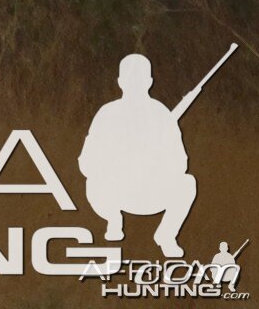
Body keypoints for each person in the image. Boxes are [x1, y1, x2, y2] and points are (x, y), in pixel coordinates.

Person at [80, 53, 198, 257]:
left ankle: (166, 235)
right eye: (130, 78)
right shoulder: (107, 113)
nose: (135, 83)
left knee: (187, 183)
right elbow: (86, 162)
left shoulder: (162, 115)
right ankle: (113, 220)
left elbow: (181, 163)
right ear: (120, 82)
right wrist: (114, 165)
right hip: (114, 193)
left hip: (151, 193)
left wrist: (155, 163)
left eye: (139, 79)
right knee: (92, 182)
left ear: (149, 82)